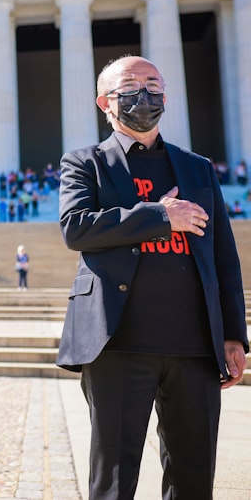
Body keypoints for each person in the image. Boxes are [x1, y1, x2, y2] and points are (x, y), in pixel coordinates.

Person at [57, 55, 247, 499]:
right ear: (105, 102)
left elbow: (223, 254)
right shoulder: (85, 163)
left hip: (194, 343)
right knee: (114, 477)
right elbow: (77, 227)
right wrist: (161, 214)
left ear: (166, 95)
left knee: (194, 474)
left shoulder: (197, 167)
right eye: (130, 84)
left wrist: (234, 334)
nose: (145, 92)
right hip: (118, 340)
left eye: (153, 83)